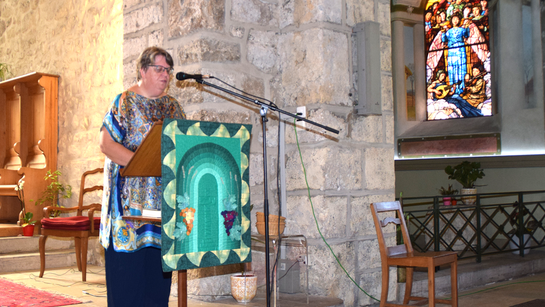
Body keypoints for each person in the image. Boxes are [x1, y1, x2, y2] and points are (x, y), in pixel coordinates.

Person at [99, 46, 186, 306]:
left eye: (168, 71)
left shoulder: (172, 106)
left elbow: (181, 144)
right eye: (159, 69)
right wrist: (143, 164)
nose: (165, 75)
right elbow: (106, 144)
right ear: (143, 71)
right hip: (127, 212)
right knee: (127, 286)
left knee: (156, 287)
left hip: (162, 211)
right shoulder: (123, 102)